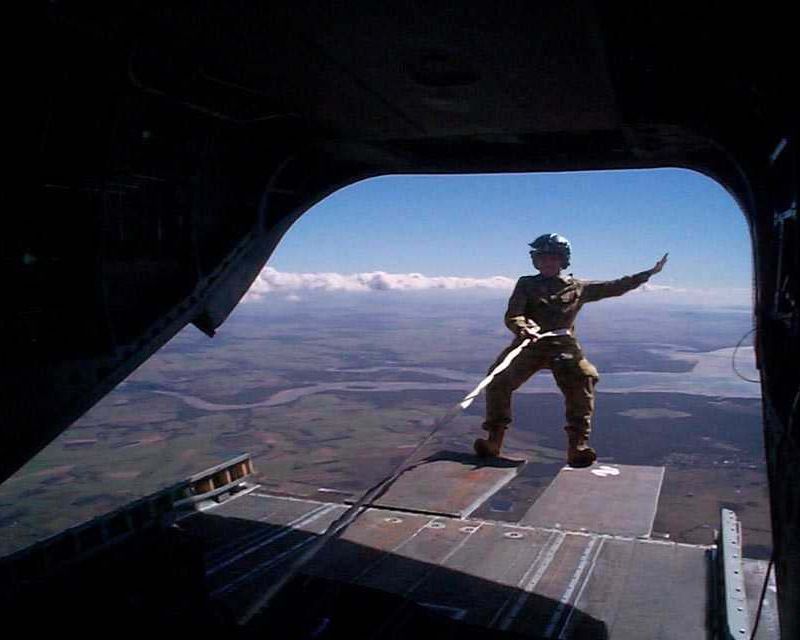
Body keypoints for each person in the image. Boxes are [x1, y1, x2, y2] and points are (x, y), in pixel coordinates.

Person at [474, 234, 668, 467]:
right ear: (536, 261)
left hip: (563, 346)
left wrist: (648, 274)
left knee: (584, 378)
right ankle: (494, 440)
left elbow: (615, 286)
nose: (547, 263)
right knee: (497, 380)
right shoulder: (526, 284)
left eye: (552, 258)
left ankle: (578, 446)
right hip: (530, 344)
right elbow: (514, 314)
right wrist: (523, 328)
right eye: (542, 258)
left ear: (562, 261)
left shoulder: (578, 288)